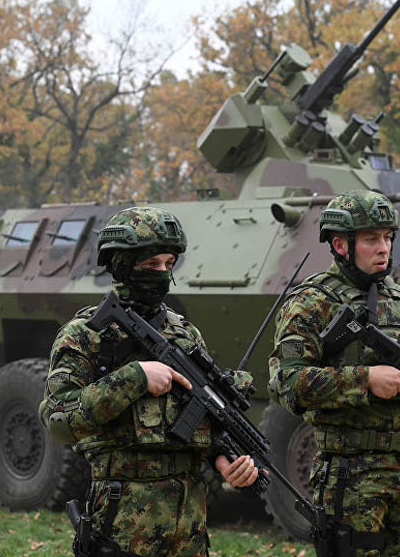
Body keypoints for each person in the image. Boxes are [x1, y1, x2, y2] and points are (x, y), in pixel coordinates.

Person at [39, 206, 258, 557]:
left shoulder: (184, 334)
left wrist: (223, 458)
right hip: (123, 515)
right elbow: (59, 421)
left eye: (169, 265)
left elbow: (202, 417)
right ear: (122, 265)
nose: (162, 274)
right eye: (151, 264)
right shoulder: (84, 336)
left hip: (189, 519)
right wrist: (134, 377)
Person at [269, 190, 400, 556]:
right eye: (370, 239)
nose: (384, 248)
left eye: (388, 238)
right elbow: (287, 384)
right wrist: (365, 380)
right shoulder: (311, 302)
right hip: (352, 476)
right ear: (340, 245)